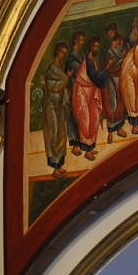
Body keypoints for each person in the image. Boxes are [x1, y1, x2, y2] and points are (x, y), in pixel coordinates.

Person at [70, 35, 108, 161]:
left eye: (98, 47)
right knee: (85, 120)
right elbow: (95, 77)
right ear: (90, 47)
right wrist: (107, 69)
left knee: (94, 118)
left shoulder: (94, 61)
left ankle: (91, 146)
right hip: (82, 92)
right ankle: (86, 150)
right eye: (95, 46)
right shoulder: (88, 62)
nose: (96, 49)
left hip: (91, 92)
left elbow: (96, 78)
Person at [39, 42, 71, 178]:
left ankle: (59, 165)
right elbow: (52, 87)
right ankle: (54, 168)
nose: (62, 55)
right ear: (57, 51)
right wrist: (66, 78)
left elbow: (61, 86)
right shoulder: (51, 69)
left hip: (60, 105)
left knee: (61, 134)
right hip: (51, 106)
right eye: (61, 52)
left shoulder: (60, 67)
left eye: (64, 53)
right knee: (54, 133)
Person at [101, 23, 129, 141]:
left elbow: (127, 57)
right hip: (112, 78)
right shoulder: (110, 50)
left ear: (115, 31)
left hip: (122, 76)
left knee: (121, 103)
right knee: (112, 104)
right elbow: (106, 67)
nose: (111, 35)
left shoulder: (123, 43)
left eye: (112, 33)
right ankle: (110, 132)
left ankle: (119, 128)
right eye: (109, 34)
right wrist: (110, 66)